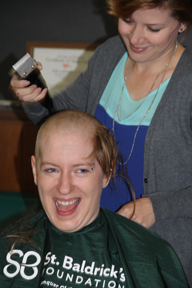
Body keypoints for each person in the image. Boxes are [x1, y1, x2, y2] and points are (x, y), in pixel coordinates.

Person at [9, 0, 192, 285]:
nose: (135, 37)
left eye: (153, 28)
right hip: (92, 239)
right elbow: (62, 119)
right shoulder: (110, 54)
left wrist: (157, 207)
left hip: (156, 250)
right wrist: (33, 100)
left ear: (182, 24)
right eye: (128, 21)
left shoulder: (187, 85)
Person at [0, 110, 189, 287]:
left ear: (107, 172)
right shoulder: (9, 248)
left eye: (81, 170)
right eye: (51, 169)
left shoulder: (150, 255)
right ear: (35, 170)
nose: (64, 187)